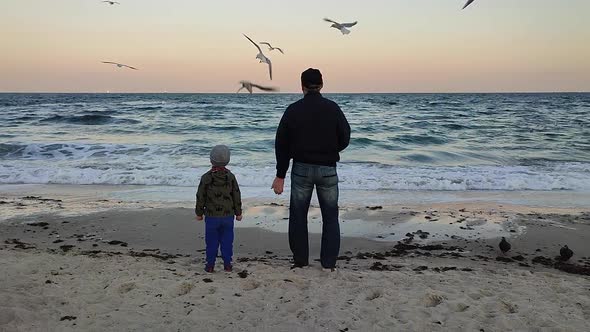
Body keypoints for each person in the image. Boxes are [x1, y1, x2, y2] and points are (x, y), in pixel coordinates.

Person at [271, 68, 351, 270]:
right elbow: (345, 137)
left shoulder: (293, 110)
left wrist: (280, 175)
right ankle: (328, 263)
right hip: (327, 169)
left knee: (298, 216)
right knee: (331, 217)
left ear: (302, 86)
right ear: (321, 85)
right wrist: (331, 149)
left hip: (301, 169)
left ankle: (300, 260)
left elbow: (281, 144)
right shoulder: (333, 108)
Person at [195, 145, 243, 273]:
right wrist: (238, 213)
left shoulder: (206, 177)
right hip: (228, 216)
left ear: (211, 160)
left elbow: (200, 196)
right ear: (228, 160)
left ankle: (210, 265)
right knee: (227, 241)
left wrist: (199, 213)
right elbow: (236, 195)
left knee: (211, 242)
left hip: (211, 216)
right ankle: (227, 264)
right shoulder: (231, 177)